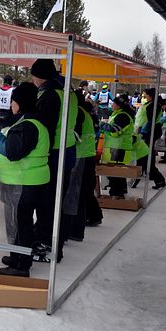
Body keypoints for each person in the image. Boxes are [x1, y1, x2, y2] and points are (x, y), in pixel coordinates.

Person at [0, 82, 49, 277]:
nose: (11, 104)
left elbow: (13, 152)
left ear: (20, 102)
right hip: (28, 181)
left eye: (13, 101)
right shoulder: (33, 122)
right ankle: (18, 256)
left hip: (23, 182)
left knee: (19, 224)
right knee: (22, 222)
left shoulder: (27, 126)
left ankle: (20, 265)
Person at [30, 59, 78, 263]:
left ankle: (44, 242)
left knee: (47, 201)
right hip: (68, 150)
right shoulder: (68, 91)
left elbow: (45, 128)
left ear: (37, 75)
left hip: (54, 153)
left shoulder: (50, 94)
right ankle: (54, 239)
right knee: (57, 199)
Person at [69, 88, 103, 237]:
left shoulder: (78, 113)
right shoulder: (85, 111)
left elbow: (75, 135)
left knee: (77, 192)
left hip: (80, 155)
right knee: (85, 189)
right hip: (87, 154)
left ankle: (75, 230)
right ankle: (95, 215)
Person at [99, 95, 135, 198]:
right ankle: (120, 192)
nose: (112, 105)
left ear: (119, 106)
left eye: (114, 103)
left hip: (118, 148)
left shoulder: (122, 116)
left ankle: (116, 194)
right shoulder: (118, 114)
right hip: (115, 147)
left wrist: (101, 125)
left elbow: (115, 131)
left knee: (114, 173)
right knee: (118, 172)